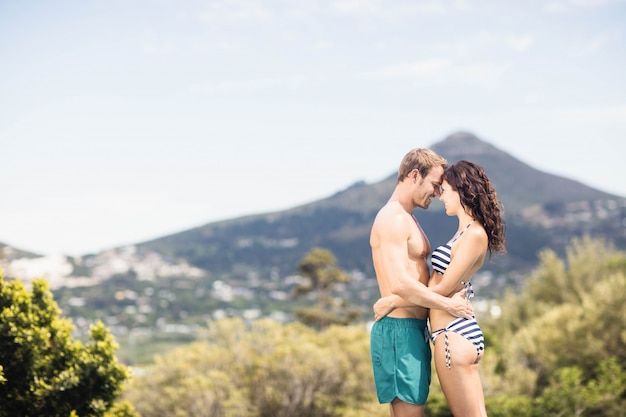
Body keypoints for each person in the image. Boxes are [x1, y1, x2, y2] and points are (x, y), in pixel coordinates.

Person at [374, 159, 506, 417]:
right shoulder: (463, 231)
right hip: (449, 331)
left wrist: (394, 301)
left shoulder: (475, 233)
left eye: (443, 189)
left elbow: (445, 286)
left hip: (452, 334)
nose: (439, 195)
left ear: (462, 190)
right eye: (437, 187)